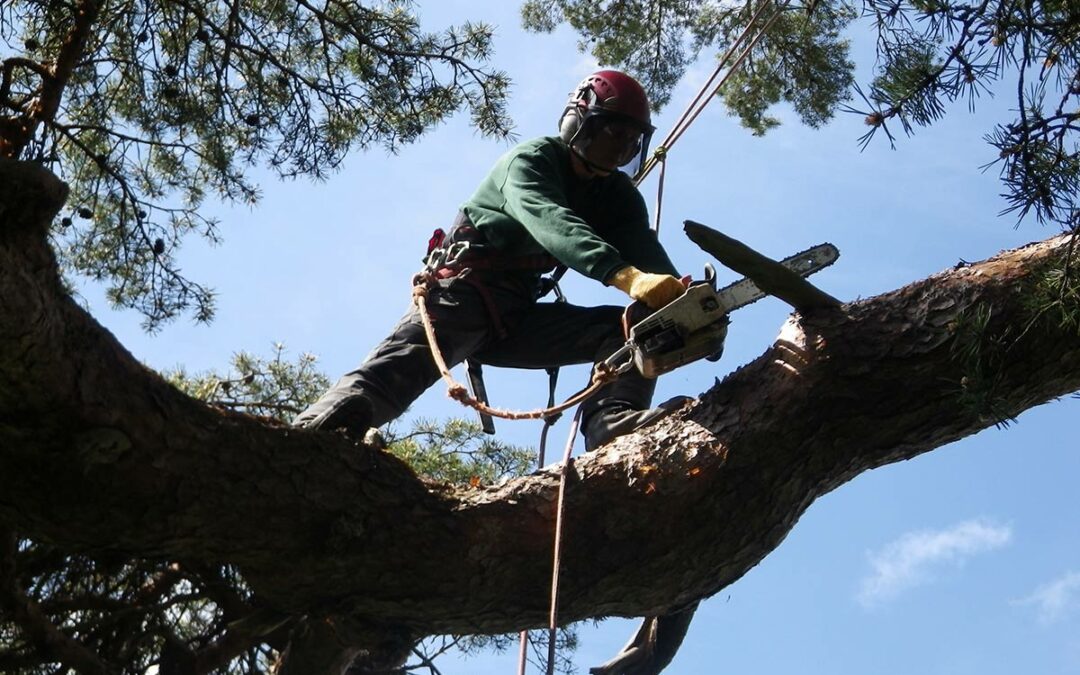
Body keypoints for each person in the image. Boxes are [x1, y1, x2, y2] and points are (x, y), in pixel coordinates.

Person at [294, 69, 691, 453]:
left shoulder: (615, 195)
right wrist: (624, 275)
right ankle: (309, 436)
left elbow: (643, 246)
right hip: (463, 296)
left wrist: (685, 308)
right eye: (613, 133)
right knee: (394, 373)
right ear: (580, 120)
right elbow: (552, 220)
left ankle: (611, 423)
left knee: (630, 328)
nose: (621, 147)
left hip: (517, 315)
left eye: (630, 139)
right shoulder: (532, 160)